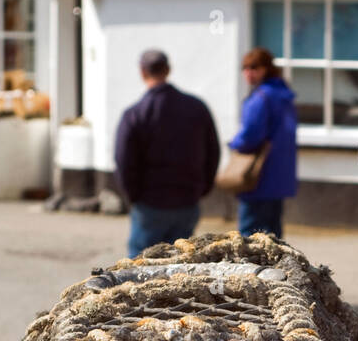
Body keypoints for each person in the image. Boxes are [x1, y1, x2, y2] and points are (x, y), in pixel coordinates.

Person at [115, 49, 221, 257]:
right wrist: (202, 188)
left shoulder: (135, 114)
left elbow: (123, 160)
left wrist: (133, 195)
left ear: (142, 72)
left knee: (140, 268)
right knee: (178, 267)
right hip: (187, 200)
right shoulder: (197, 108)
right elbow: (213, 152)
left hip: (150, 202)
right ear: (168, 70)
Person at [224, 47, 297, 239]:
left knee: (249, 236)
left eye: (254, 67)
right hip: (280, 175)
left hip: (258, 177)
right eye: (245, 68)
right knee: (274, 236)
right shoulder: (284, 95)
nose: (248, 73)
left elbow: (250, 136)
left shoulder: (261, 98)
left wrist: (234, 144)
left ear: (266, 69)